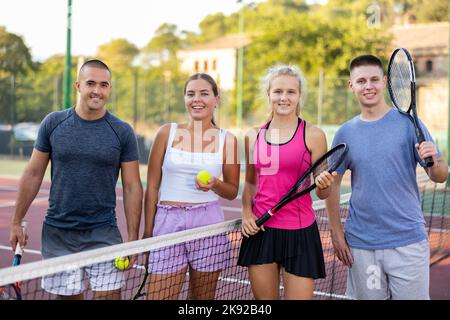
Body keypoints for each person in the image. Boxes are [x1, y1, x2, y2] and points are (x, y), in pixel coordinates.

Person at [9, 59, 143, 300]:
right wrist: (16, 221)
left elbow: (133, 186)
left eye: (104, 85)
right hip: (59, 234)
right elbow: (33, 173)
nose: (97, 90)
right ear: (78, 85)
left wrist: (132, 240)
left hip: (104, 233)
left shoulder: (122, 131)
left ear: (109, 88)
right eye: (91, 83)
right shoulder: (53, 123)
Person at [325, 54, 448, 300]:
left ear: (384, 82)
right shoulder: (345, 133)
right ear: (352, 86)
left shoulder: (409, 124)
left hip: (407, 242)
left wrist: (436, 159)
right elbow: (332, 187)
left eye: (373, 79)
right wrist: (337, 234)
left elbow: (440, 176)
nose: (368, 86)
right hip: (363, 245)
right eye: (361, 81)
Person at [237, 64, 336, 300]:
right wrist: (246, 213)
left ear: (299, 96)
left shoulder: (313, 135)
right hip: (262, 230)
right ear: (269, 95)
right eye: (278, 91)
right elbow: (250, 184)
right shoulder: (253, 136)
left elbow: (322, 193)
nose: (284, 97)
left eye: (291, 92)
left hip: (300, 232)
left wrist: (324, 183)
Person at [144, 73, 240, 300]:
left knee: (201, 302)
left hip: (207, 223)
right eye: (191, 94)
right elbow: (151, 189)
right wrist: (148, 232)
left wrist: (215, 184)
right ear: (185, 98)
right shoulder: (166, 133)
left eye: (204, 93)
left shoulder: (229, 140)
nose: (197, 99)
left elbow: (232, 190)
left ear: (216, 99)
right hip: (167, 223)